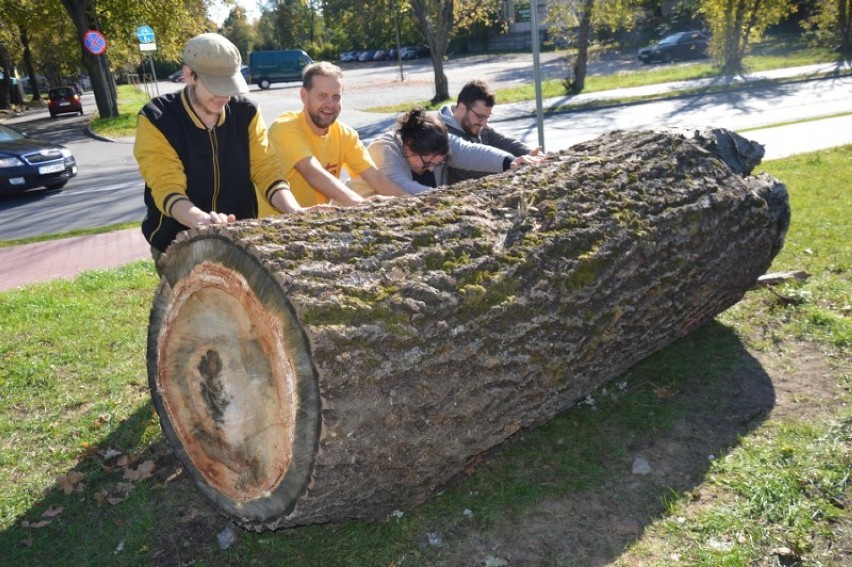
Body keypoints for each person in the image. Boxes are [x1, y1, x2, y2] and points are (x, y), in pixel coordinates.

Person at [134, 33, 302, 266]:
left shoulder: (247, 114)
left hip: (239, 239)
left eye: (229, 85)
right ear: (188, 75)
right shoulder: (157, 118)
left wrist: (295, 212)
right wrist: (203, 221)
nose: (224, 96)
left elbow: (267, 170)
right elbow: (167, 188)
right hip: (176, 243)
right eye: (216, 86)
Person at [265, 61, 405, 212]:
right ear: (304, 96)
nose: (330, 104)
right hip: (273, 225)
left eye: (336, 97)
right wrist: (361, 206)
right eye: (322, 96)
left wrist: (412, 204)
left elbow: (376, 178)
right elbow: (312, 172)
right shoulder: (284, 128)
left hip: (314, 223)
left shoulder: (346, 135)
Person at [353, 107, 534, 196]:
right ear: (408, 146)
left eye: (437, 163)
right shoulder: (384, 149)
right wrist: (447, 198)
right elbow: (400, 187)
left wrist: (510, 162)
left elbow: (470, 152)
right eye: (427, 163)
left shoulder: (440, 139)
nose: (432, 169)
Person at [439, 79, 544, 184]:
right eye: (480, 116)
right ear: (462, 108)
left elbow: (506, 142)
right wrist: (515, 163)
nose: (484, 123)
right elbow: (472, 168)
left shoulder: (479, 126)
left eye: (487, 117)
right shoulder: (441, 135)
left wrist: (531, 153)